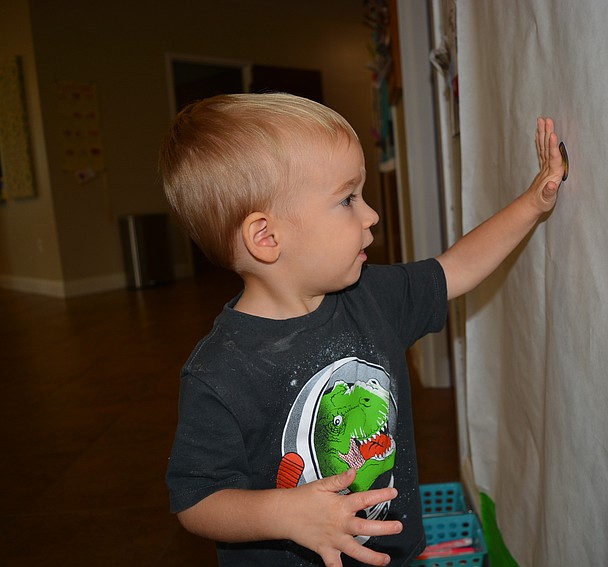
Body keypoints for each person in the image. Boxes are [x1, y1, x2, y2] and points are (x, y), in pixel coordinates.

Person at [160, 92, 565, 567]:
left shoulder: (370, 297)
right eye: (348, 199)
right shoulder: (220, 371)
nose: (371, 215)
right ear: (267, 237)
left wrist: (533, 203)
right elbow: (197, 501)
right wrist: (285, 513)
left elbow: (455, 269)